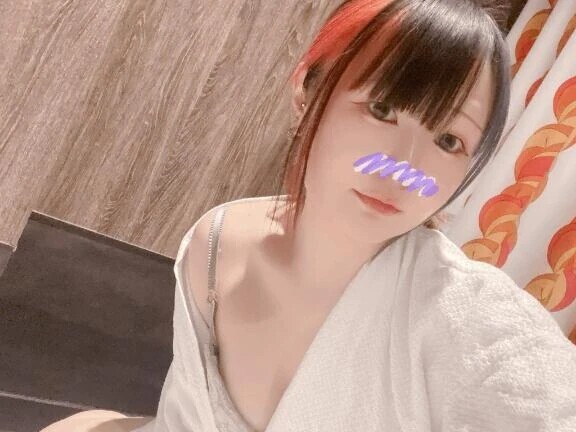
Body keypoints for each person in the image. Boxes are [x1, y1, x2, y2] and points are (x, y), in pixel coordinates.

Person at [41, 0, 576, 431]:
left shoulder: (471, 322)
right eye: (383, 109)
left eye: (449, 140)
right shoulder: (218, 240)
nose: (403, 167)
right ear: (306, 90)